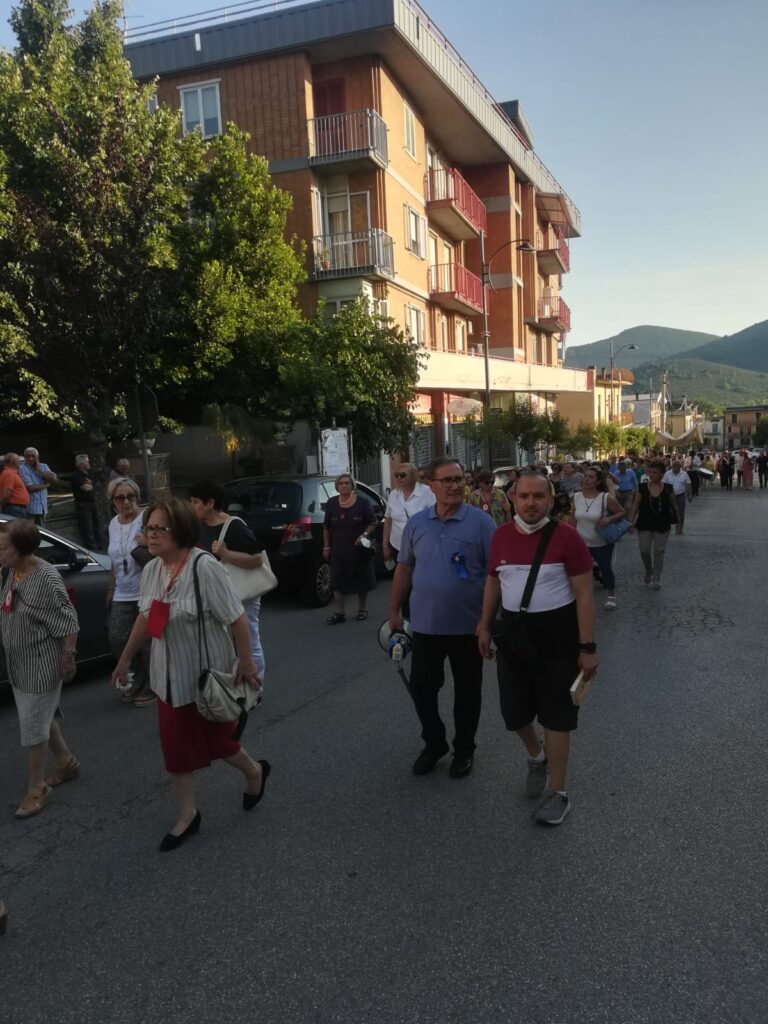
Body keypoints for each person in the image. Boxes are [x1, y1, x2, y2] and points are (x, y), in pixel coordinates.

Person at [112, 498, 268, 851]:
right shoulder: (152, 569)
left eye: (157, 529)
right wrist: (124, 660)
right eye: (147, 528)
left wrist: (246, 664)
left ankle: (254, 771)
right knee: (174, 749)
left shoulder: (204, 566)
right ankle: (188, 815)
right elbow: (147, 617)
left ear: (179, 530)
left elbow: (236, 617)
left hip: (204, 678)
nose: (149, 535)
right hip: (166, 676)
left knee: (221, 744)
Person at [477, 470, 598, 826]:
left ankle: (558, 792)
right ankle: (536, 756)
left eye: (539, 497)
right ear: (513, 498)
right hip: (515, 635)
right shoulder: (499, 537)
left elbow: (585, 596)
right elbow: (492, 583)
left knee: (557, 716)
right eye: (524, 496)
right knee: (514, 714)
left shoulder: (567, 538)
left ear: (550, 499)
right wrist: (484, 625)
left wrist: (587, 647)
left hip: (558, 640)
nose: (531, 503)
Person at [388, 457, 495, 779]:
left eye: (459, 479)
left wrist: (488, 622)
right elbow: (404, 568)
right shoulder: (417, 524)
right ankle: (434, 743)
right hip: (425, 625)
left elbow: (494, 574)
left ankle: (464, 749)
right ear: (430, 485)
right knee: (422, 687)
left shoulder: (480, 523)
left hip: (468, 626)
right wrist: (393, 610)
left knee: (467, 692)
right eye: (447, 480)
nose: (455, 485)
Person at [0, 519, 80, 819]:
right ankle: (66, 762)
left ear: (21, 549)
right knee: (39, 716)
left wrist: (68, 656)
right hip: (18, 663)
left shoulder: (45, 577)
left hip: (41, 663)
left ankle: (37, 788)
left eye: (2, 547)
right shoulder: (11, 571)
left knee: (33, 725)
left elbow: (69, 621)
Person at [188, 478, 266, 685]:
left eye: (195, 501)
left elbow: (257, 559)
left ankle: (255, 688)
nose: (191, 506)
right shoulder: (199, 526)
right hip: (216, 594)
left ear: (210, 503)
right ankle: (233, 685)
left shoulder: (233, 526)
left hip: (242, 594)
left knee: (249, 642)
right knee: (226, 644)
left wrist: (226, 553)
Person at [106, 476, 154, 707]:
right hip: (122, 592)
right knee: (117, 636)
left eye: (130, 496)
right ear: (113, 501)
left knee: (147, 641)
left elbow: (168, 543)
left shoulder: (147, 518)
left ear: (137, 497)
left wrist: (148, 542)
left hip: (147, 589)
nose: (126, 502)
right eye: (120, 498)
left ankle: (152, 685)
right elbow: (115, 559)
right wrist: (111, 586)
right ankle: (136, 677)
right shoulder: (114, 523)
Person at [322, 473, 377, 624]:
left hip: (358, 549)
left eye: (347, 483)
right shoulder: (332, 503)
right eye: (341, 483)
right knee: (337, 580)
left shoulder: (363, 502)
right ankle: (340, 613)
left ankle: (362, 610)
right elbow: (326, 527)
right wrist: (326, 546)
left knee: (361, 579)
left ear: (352, 485)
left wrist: (364, 535)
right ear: (337, 486)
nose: (344, 486)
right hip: (338, 549)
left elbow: (373, 522)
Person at [571, 465, 625, 611]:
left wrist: (609, 519)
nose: (586, 480)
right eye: (585, 476)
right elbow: (573, 520)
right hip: (582, 543)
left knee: (605, 569)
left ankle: (611, 594)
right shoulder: (576, 497)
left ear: (598, 481)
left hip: (601, 542)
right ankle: (579, 597)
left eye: (591, 477)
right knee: (579, 571)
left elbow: (621, 512)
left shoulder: (605, 498)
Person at [631, 459, 676, 589]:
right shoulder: (642, 488)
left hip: (662, 523)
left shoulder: (668, 488)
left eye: (655, 472)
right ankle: (648, 570)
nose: (652, 475)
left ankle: (656, 576)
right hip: (645, 522)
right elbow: (635, 505)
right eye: (650, 472)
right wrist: (631, 521)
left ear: (661, 474)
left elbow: (674, 505)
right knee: (644, 549)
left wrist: (678, 519)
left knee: (659, 550)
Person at [382, 463, 435, 566]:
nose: (398, 478)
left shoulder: (427, 493)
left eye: (402, 475)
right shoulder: (393, 494)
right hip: (398, 546)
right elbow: (388, 519)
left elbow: (435, 519)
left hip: (422, 547)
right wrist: (385, 545)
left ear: (413, 476)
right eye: (396, 475)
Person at [19, 448, 57, 525]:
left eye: (33, 456)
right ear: (24, 457)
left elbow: (53, 479)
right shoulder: (22, 468)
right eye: (27, 456)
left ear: (37, 457)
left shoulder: (44, 466)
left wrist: (39, 470)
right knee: (31, 533)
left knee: (42, 532)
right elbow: (30, 488)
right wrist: (45, 485)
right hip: (30, 508)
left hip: (42, 507)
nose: (30, 458)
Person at [71, 454, 100, 549]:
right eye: (87, 462)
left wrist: (91, 484)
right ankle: (93, 550)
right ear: (81, 464)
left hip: (92, 502)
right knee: (88, 529)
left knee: (97, 526)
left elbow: (95, 485)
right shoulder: (76, 475)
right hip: (83, 504)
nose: (89, 463)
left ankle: (100, 546)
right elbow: (86, 488)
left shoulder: (89, 474)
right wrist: (93, 485)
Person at [662, 460, 692, 535]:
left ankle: (679, 529)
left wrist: (690, 494)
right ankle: (667, 528)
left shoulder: (684, 474)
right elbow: (663, 484)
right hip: (669, 496)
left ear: (680, 466)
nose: (675, 467)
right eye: (674, 465)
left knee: (681, 513)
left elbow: (688, 484)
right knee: (668, 512)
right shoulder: (667, 474)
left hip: (680, 496)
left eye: (677, 465)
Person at [0, 453, 30, 518]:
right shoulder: (9, 474)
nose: (20, 463)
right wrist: (1, 506)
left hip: (16, 509)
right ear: (12, 463)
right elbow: (6, 495)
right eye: (18, 460)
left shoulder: (10, 473)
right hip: (13, 509)